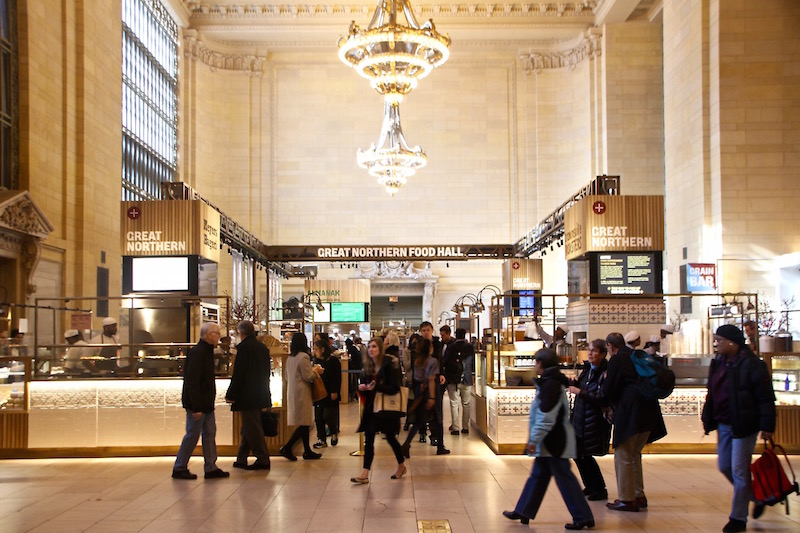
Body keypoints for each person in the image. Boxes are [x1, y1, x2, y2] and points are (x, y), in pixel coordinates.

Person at [503, 348, 595, 530]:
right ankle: (523, 510)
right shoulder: (550, 382)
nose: (534, 365)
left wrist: (533, 440)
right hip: (550, 441)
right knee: (538, 476)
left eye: (536, 362)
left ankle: (583, 516)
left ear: (541, 364)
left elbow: (546, 417)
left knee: (564, 479)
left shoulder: (551, 385)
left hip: (554, 442)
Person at [702, 324, 776, 533]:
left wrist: (768, 425)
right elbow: (712, 393)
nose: (716, 344)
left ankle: (738, 518)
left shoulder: (752, 364)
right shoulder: (718, 363)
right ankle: (757, 497)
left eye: (719, 340)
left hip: (745, 424)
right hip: (724, 423)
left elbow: (765, 397)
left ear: (732, 343)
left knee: (739, 471)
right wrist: (708, 416)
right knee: (725, 466)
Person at [601, 332, 667, 512]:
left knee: (623, 455)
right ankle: (639, 495)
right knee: (634, 455)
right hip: (648, 411)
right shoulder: (636, 356)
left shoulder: (617, 360)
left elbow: (608, 390)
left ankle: (627, 499)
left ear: (609, 346)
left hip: (630, 413)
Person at [173, 322, 229, 480]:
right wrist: (195, 406)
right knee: (192, 434)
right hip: (198, 404)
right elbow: (193, 381)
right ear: (209, 335)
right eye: (217, 333)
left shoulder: (206, 351)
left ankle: (210, 466)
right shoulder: (198, 353)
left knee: (209, 433)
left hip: (206, 403)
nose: (219, 336)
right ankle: (180, 466)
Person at [350, 337, 407, 484]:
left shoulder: (390, 365)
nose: (371, 349)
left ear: (380, 349)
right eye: (369, 347)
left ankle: (401, 465)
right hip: (372, 408)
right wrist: (363, 387)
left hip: (387, 409)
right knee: (369, 439)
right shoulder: (368, 367)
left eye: (374, 346)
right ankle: (365, 473)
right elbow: (367, 385)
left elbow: (394, 388)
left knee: (390, 438)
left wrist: (377, 387)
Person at [567, 339, 611, 501]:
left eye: (594, 351)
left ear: (603, 354)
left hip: (593, 420)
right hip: (580, 417)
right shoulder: (588, 370)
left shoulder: (605, 373)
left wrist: (579, 391)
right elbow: (584, 388)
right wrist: (574, 383)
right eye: (589, 350)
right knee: (578, 453)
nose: (590, 354)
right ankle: (590, 485)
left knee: (586, 455)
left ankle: (599, 488)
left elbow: (600, 397)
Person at [226, 320, 272, 470]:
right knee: (248, 427)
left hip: (247, 395)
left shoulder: (244, 349)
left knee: (252, 427)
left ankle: (262, 458)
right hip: (260, 392)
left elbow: (239, 374)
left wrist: (231, 393)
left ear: (240, 332)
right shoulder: (263, 348)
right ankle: (241, 458)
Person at [400, 336, 449, 456]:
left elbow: (417, 377)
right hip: (431, 393)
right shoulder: (433, 361)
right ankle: (440, 446)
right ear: (430, 348)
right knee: (438, 420)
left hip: (420, 392)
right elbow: (431, 379)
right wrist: (432, 397)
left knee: (418, 421)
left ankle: (406, 444)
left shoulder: (417, 361)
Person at [280, 332, 323, 461]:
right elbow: (307, 376)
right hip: (302, 392)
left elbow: (287, 377)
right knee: (304, 422)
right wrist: (317, 372)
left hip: (293, 392)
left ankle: (307, 450)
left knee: (304, 422)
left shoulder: (290, 358)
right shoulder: (303, 357)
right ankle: (287, 447)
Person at [419, 321, 447, 450]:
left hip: (435, 382)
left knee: (436, 413)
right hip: (423, 383)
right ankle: (423, 435)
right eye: (423, 330)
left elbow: (440, 361)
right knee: (423, 413)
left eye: (427, 330)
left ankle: (438, 441)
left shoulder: (438, 345)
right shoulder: (418, 345)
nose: (425, 332)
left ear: (431, 331)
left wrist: (442, 374)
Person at [443, 327, 474, 436]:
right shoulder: (470, 347)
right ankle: (465, 427)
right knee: (466, 404)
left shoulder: (451, 347)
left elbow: (445, 362)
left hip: (453, 380)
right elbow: (473, 364)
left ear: (456, 335)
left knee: (454, 403)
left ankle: (455, 428)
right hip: (467, 378)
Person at [312, 339, 341, 449]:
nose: (315, 352)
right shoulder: (316, 361)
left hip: (330, 392)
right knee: (318, 417)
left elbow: (337, 378)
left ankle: (333, 432)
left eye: (316, 349)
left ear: (323, 349)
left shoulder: (333, 360)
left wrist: (335, 391)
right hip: (319, 392)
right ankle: (321, 439)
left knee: (328, 416)